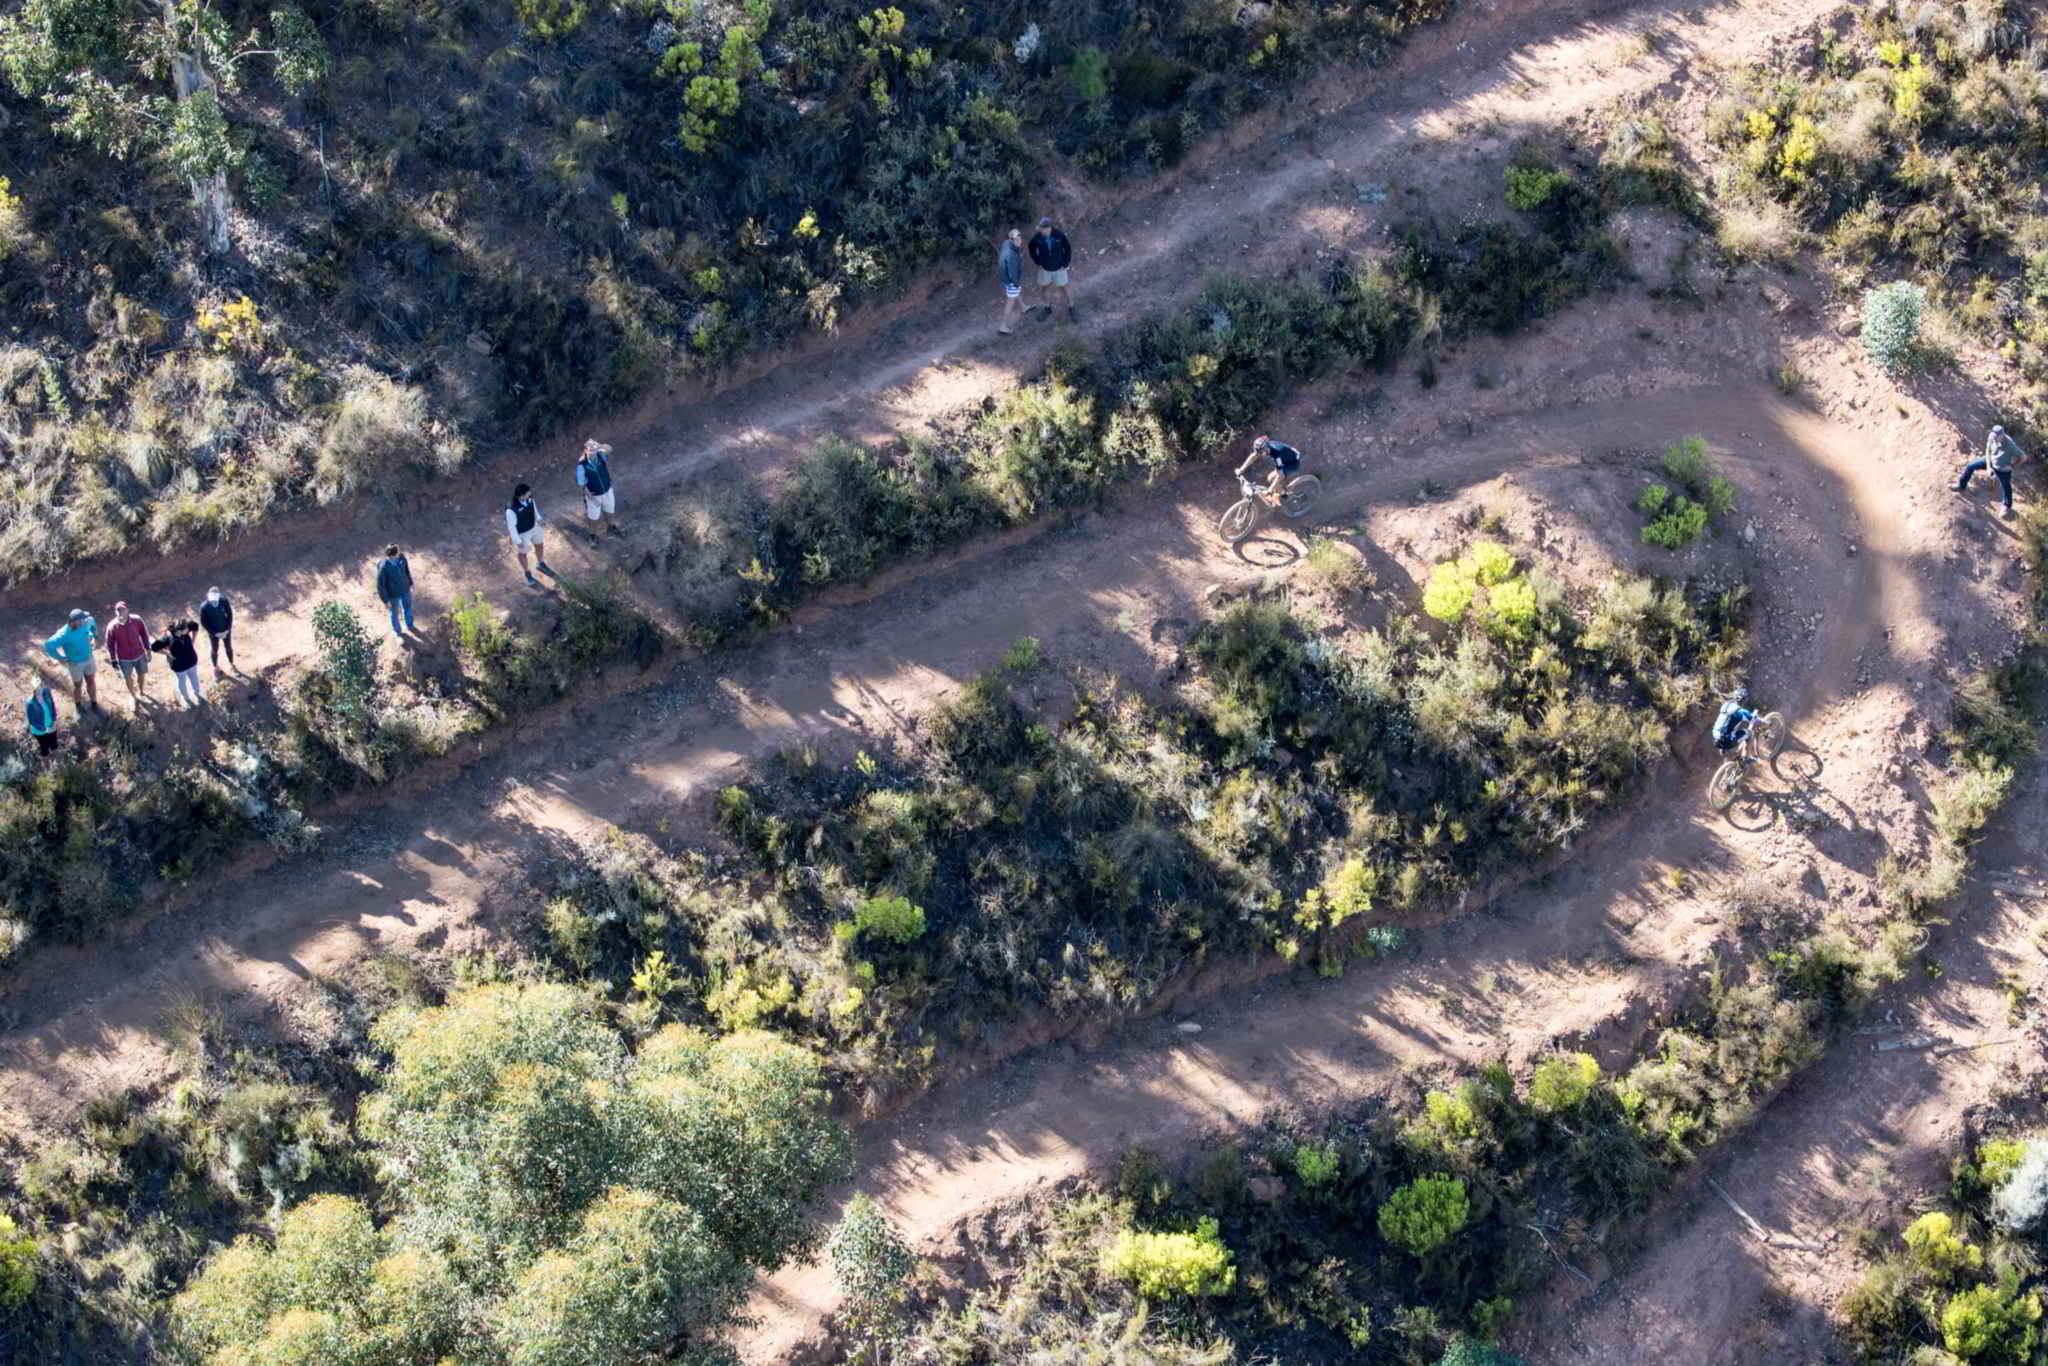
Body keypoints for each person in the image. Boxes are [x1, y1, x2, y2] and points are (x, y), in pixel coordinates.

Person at [1954, 423, 2023, 516]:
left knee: (2006, 487)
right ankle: (1961, 485)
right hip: (1991, 461)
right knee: (1970, 466)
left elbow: (2023, 457)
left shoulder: (2010, 445)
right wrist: (1989, 468)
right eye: (1993, 436)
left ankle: (2006, 506)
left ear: (2002, 435)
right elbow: (1988, 450)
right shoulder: (1992, 437)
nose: (1994, 438)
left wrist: (2012, 466)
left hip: (2003, 468)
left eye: (1996, 437)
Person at [42, 609, 100, 713]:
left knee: (91, 681)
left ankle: (94, 703)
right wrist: (61, 658)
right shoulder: (64, 634)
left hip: (89, 658)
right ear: (74, 622)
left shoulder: (86, 622)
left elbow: (92, 621)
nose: (84, 621)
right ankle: (78, 706)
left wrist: (95, 636)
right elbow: (48, 645)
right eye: (82, 620)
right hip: (75, 664)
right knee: (78, 685)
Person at [1028, 216, 1078, 323]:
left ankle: (1072, 307)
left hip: (1059, 268)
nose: (1040, 230)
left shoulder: (1059, 235)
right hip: (1045, 269)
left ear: (1048, 228)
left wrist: (1065, 264)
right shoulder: (1038, 237)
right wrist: (1037, 261)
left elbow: (1068, 248)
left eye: (1042, 228)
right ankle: (1047, 308)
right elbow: (1031, 247)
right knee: (1043, 289)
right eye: (1040, 228)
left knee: (1065, 288)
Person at [104, 601, 153, 705]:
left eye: (123, 609)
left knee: (141, 674)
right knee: (128, 677)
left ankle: (141, 691)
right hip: (124, 658)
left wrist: (148, 650)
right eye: (118, 610)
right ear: (116, 612)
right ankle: (133, 695)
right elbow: (110, 644)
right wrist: (113, 660)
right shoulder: (112, 626)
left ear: (127, 610)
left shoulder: (137, 620)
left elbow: (144, 635)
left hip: (139, 654)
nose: (121, 612)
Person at [506, 484, 552, 586]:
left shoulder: (530, 499)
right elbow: (512, 528)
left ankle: (540, 564)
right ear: (521, 495)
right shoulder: (511, 509)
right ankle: (527, 573)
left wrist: (540, 520)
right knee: (523, 553)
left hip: (534, 527)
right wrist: (518, 541)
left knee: (540, 545)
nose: (530, 494)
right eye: (528, 493)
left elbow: (535, 512)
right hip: (522, 533)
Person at [152, 620, 204, 708]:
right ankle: (186, 698)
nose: (188, 629)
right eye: (186, 628)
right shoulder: (168, 639)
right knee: (182, 681)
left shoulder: (185, 631)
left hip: (191, 661)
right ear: (178, 630)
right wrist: (167, 653)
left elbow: (195, 625)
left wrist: (193, 640)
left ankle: (197, 693)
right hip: (179, 666)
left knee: (194, 677)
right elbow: (154, 647)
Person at [1234, 435, 1306, 498]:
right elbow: (1254, 456)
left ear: (1266, 449)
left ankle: (1284, 494)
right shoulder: (1265, 447)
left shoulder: (1277, 454)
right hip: (1287, 455)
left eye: (1262, 453)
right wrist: (1241, 469)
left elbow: (1280, 475)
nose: (1260, 454)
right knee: (1271, 479)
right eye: (1259, 452)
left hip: (1293, 462)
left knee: (1271, 479)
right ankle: (1281, 492)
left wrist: (1270, 490)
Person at [576, 439, 620, 534]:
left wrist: (599, 445)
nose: (592, 452)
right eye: (590, 450)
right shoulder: (582, 465)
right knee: (593, 518)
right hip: (594, 495)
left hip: (607, 490)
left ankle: (611, 527)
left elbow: (609, 448)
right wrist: (587, 494)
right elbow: (581, 483)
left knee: (609, 511)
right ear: (585, 451)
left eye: (594, 450)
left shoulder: (600, 454)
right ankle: (592, 534)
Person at [377, 545, 416, 637]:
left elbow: (407, 571)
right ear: (392, 555)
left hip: (405, 590)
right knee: (394, 614)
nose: (400, 552)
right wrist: (386, 601)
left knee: (408, 608)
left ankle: (410, 626)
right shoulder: (384, 567)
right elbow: (380, 586)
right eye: (398, 552)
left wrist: (410, 583)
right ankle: (398, 632)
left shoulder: (402, 558)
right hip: (393, 595)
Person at [198, 586, 235, 674]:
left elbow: (230, 614)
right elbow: (204, 623)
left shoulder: (224, 601)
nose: (214, 602)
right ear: (208, 596)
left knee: (228, 647)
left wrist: (228, 629)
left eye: (216, 599)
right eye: (212, 599)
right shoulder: (204, 607)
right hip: (214, 633)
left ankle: (231, 664)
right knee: (214, 649)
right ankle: (215, 667)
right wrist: (214, 633)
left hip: (225, 630)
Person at [997, 228, 1025, 336]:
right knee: (1011, 301)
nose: (1019, 241)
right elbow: (1013, 273)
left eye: (1020, 238)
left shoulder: (1006, 243)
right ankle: (1003, 326)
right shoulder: (1012, 255)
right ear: (1012, 240)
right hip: (1010, 280)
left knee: (1015, 293)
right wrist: (1016, 283)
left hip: (1004, 276)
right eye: (1016, 239)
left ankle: (1023, 307)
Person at [1712, 687, 1756, 754]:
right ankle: (1747, 758)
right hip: (1726, 740)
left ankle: (1724, 748)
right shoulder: (1740, 712)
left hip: (1715, 736)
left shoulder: (1725, 705)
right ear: (1743, 700)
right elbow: (1755, 720)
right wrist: (1767, 722)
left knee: (1731, 724)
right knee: (1749, 733)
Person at [23, 683, 58, 756]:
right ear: (33, 690)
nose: (40, 690)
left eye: (41, 686)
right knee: (44, 747)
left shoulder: (47, 693)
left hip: (51, 726)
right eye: (37, 689)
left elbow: (53, 706)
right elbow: (32, 720)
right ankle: (46, 758)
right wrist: (44, 729)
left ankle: (55, 756)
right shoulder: (30, 703)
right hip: (40, 731)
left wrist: (54, 720)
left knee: (54, 744)